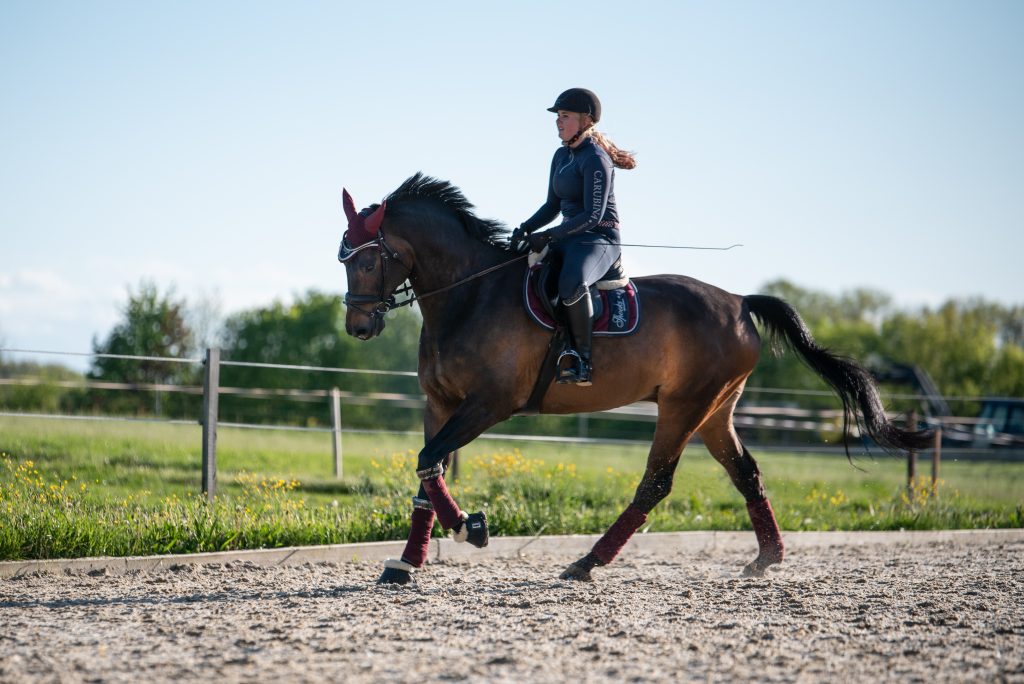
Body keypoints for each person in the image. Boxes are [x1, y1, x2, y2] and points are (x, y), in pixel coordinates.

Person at [511, 88, 637, 386]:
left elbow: (593, 215)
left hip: (599, 238)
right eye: (558, 116)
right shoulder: (561, 155)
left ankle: (581, 359)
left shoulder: (595, 158)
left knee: (571, 282)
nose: (558, 122)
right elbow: (552, 205)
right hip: (569, 235)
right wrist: (526, 228)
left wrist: (550, 235)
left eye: (565, 116)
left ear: (585, 120)